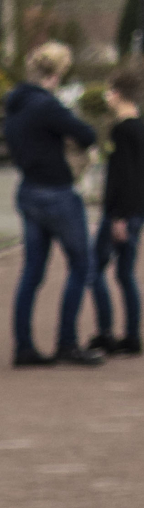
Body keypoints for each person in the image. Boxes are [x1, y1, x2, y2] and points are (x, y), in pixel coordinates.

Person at [6, 41, 103, 367]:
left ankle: (24, 347)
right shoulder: (47, 106)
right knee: (81, 265)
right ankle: (67, 343)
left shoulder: (15, 104)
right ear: (57, 72)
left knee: (32, 273)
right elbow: (87, 134)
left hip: (28, 191)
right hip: (57, 193)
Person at [89, 65, 144, 356]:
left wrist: (118, 216)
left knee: (94, 268)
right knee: (125, 274)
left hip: (119, 213)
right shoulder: (140, 128)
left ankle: (106, 331)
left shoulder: (120, 131)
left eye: (110, 91)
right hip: (136, 211)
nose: (107, 96)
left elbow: (122, 176)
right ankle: (133, 336)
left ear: (119, 94)